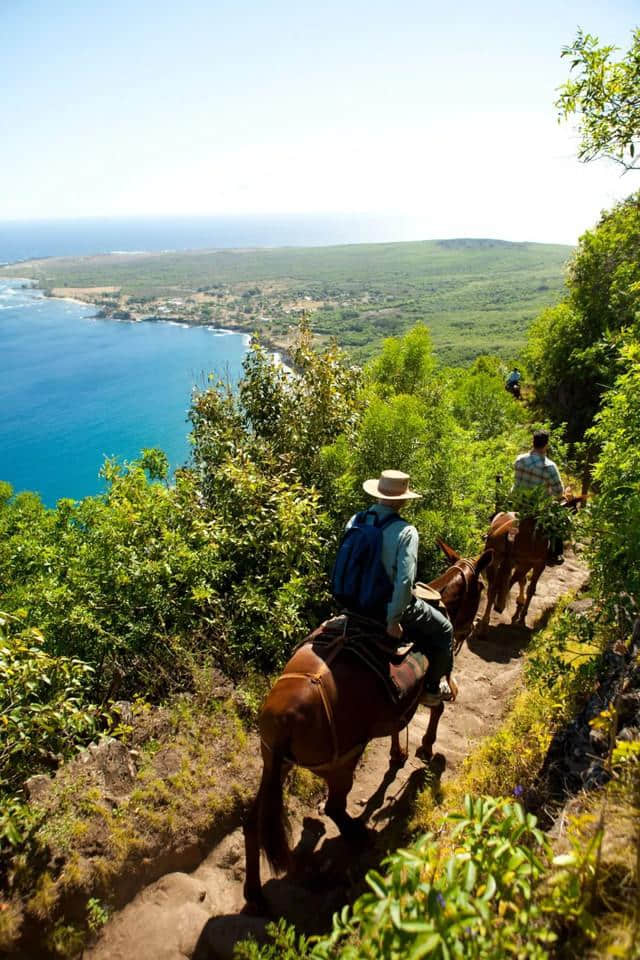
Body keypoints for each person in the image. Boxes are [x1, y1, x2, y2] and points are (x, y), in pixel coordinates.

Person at [343, 469, 455, 705]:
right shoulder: (406, 531)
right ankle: (433, 688)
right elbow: (404, 582)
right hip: (381, 608)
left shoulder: (355, 520)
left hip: (352, 603)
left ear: (378, 493)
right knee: (444, 628)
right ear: (403, 500)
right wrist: (393, 620)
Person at [513, 430, 566, 564]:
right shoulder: (549, 467)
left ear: (533, 442)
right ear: (546, 445)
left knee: (500, 513)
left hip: (516, 502)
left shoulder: (520, 459)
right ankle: (555, 553)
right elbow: (559, 492)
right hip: (537, 509)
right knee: (558, 521)